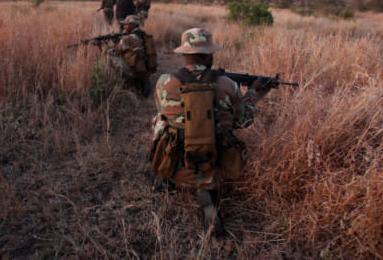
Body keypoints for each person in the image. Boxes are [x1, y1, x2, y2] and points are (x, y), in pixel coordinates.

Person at [150, 28, 270, 235]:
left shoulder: (164, 83)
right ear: (207, 55)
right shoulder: (227, 84)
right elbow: (244, 121)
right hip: (214, 164)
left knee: (160, 121)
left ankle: (166, 174)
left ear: (185, 54)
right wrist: (253, 93)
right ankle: (207, 194)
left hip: (177, 160)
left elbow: (165, 113)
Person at [106, 15, 154, 97]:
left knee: (110, 57)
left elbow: (115, 51)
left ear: (133, 25)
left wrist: (105, 46)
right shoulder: (143, 35)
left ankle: (126, 81)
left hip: (135, 71)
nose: (124, 26)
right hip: (145, 69)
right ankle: (140, 80)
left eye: (126, 24)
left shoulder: (130, 38)